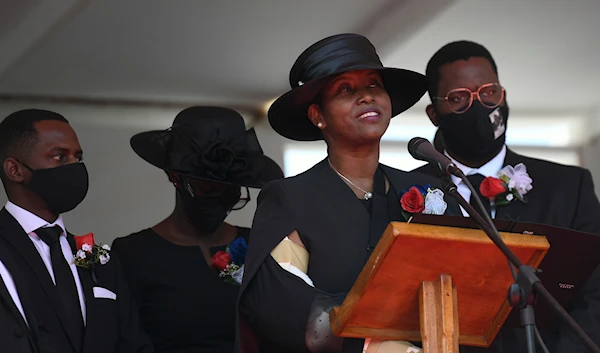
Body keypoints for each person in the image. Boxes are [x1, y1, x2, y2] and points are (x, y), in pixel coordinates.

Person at [236, 33, 461, 353]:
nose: (366, 96)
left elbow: (461, 285)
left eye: (374, 85)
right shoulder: (293, 198)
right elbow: (277, 302)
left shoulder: (429, 192)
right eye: (345, 89)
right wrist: (374, 346)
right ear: (318, 116)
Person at [415, 40, 600, 352]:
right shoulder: (407, 190)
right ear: (434, 113)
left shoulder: (568, 187)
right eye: (459, 98)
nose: (479, 106)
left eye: (488, 92)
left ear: (503, 95)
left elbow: (595, 293)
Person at [111, 106, 284, 353]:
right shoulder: (133, 254)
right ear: (175, 177)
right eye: (208, 187)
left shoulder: (259, 244)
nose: (220, 195)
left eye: (230, 187)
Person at [0, 109, 153, 353]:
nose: (74, 167)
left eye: (78, 158)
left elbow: (134, 345)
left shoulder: (101, 260)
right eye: (60, 157)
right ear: (15, 170)